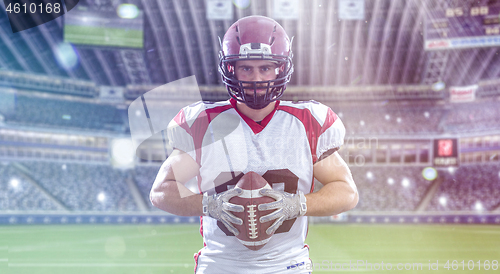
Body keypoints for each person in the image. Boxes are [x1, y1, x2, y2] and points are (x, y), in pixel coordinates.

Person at [150, 15, 358, 273]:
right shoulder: (203, 122)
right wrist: (209, 205)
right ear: (230, 69)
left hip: (288, 265)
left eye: (265, 68)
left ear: (281, 69)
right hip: (220, 266)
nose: (257, 79)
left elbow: (347, 192)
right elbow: (161, 191)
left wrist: (297, 205)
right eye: (246, 68)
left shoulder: (308, 122)